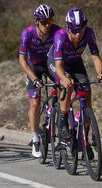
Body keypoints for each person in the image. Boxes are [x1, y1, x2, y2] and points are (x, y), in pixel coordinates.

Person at [47, 8, 102, 158]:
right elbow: (58, 66)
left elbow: (95, 56)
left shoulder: (89, 33)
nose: (78, 34)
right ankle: (63, 125)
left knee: (87, 91)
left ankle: (85, 140)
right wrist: (63, 78)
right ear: (68, 28)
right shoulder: (60, 36)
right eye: (74, 30)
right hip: (57, 63)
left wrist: (100, 73)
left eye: (81, 29)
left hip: (75, 62)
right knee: (68, 85)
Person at [18, 4, 60, 158]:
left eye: (50, 21)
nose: (47, 25)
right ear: (37, 21)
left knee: (62, 86)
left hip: (50, 64)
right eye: (43, 22)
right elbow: (22, 59)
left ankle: (60, 122)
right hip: (33, 67)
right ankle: (35, 136)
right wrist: (34, 78)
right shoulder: (27, 34)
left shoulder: (57, 31)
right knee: (35, 102)